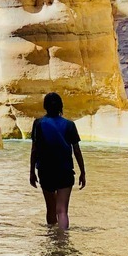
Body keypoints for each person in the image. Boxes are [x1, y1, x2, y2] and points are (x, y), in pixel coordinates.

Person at [29, 92, 85, 230]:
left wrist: (31, 172)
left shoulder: (38, 124)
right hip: (65, 171)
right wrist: (83, 172)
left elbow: (34, 150)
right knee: (62, 211)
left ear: (45, 106)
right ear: (61, 106)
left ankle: (52, 241)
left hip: (45, 170)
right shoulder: (69, 125)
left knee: (50, 209)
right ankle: (63, 241)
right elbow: (76, 150)